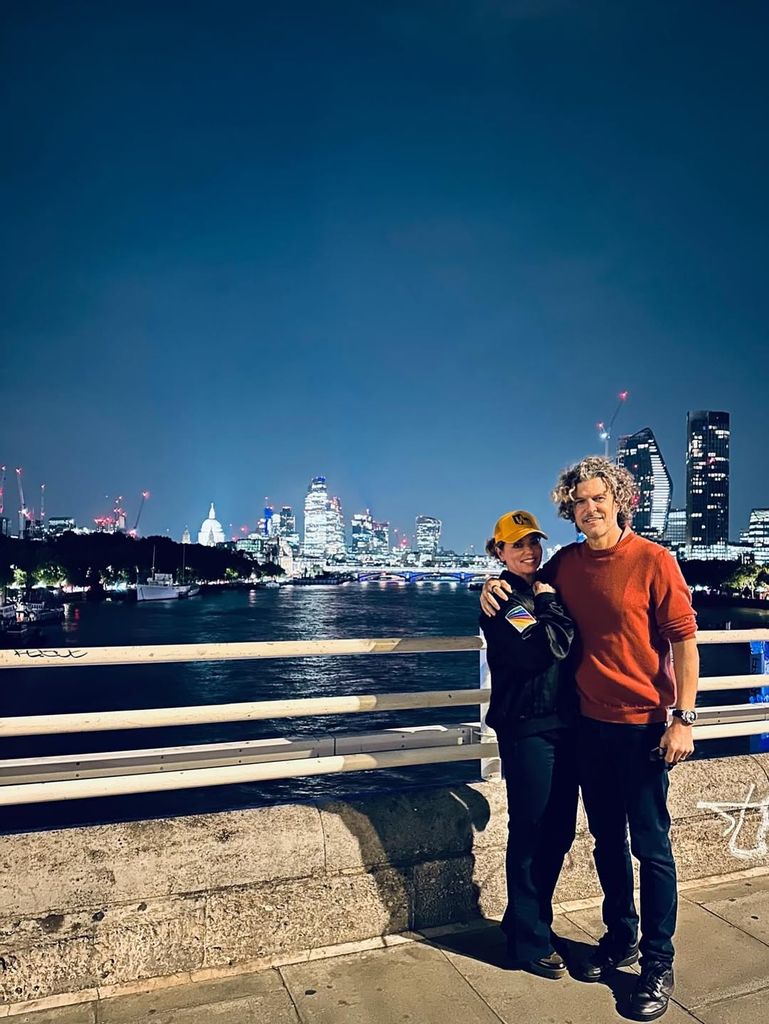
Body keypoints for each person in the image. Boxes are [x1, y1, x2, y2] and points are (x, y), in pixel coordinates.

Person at [481, 458, 699, 1021]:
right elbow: (524, 589)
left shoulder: (656, 560)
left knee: (651, 846)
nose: (590, 508)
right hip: (589, 726)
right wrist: (495, 586)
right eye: (579, 502)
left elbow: (684, 642)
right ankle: (620, 936)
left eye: (599, 498)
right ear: (571, 511)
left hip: (646, 725)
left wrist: (684, 717)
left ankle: (657, 961)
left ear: (620, 499)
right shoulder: (566, 565)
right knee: (605, 840)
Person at [479, 509, 579, 980]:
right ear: (498, 551)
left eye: (534, 542)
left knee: (558, 831)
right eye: (517, 544)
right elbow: (548, 647)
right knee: (531, 830)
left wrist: (548, 596)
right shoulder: (505, 600)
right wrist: (551, 603)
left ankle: (526, 920)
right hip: (527, 727)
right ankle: (529, 943)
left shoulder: (537, 589)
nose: (529, 551)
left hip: (562, 724)